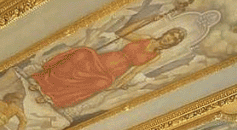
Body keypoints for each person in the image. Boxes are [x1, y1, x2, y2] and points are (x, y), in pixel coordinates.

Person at [31, 28, 186, 109]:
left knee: (101, 83)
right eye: (170, 34)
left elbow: (134, 71)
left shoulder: (156, 56)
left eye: (173, 39)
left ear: (173, 44)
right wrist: (149, 19)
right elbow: (122, 33)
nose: (169, 38)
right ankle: (44, 82)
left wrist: (117, 85)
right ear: (166, 33)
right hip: (107, 58)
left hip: (116, 71)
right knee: (82, 54)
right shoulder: (145, 38)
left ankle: (51, 96)